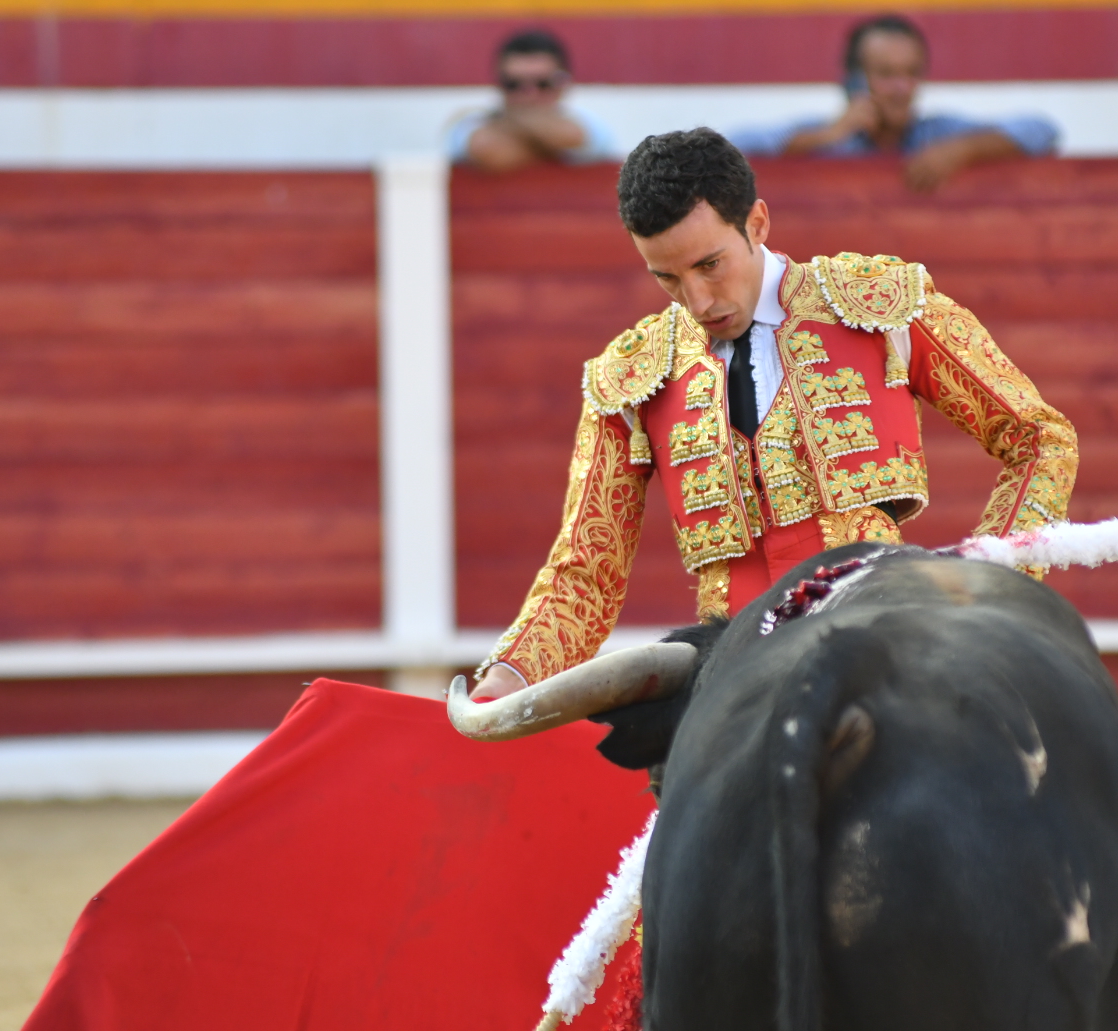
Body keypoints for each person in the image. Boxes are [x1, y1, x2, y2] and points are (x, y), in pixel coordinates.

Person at [470, 128, 1077, 701]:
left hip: (884, 642)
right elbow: (587, 570)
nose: (697, 301)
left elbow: (1038, 439)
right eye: (667, 278)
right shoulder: (632, 377)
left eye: (710, 264)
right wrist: (510, 676)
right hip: (733, 678)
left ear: (757, 223)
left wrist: (987, 588)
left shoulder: (878, 305)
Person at [731, 14, 1059, 191]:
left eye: (911, 73)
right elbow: (732, 147)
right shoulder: (825, 136)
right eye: (887, 74)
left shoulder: (937, 134)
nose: (902, 88)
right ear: (854, 81)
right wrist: (827, 136)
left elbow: (1042, 131)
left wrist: (962, 150)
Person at [447, 29, 619, 171]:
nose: (529, 94)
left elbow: (573, 137)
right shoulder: (468, 126)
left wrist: (510, 121)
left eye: (542, 84)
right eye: (514, 84)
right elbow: (490, 151)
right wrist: (548, 143)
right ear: (499, 84)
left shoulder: (590, 124)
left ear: (562, 83)